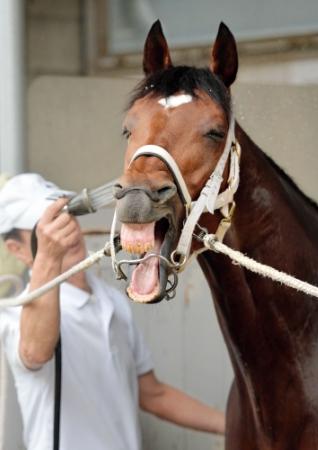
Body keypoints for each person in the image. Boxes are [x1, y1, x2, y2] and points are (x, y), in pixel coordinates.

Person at [0, 173, 225, 450]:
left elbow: (153, 394)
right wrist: (48, 256)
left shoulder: (111, 301)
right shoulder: (17, 317)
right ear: (17, 249)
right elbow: (35, 350)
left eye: (65, 214)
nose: (66, 230)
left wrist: (232, 424)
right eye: (46, 226)